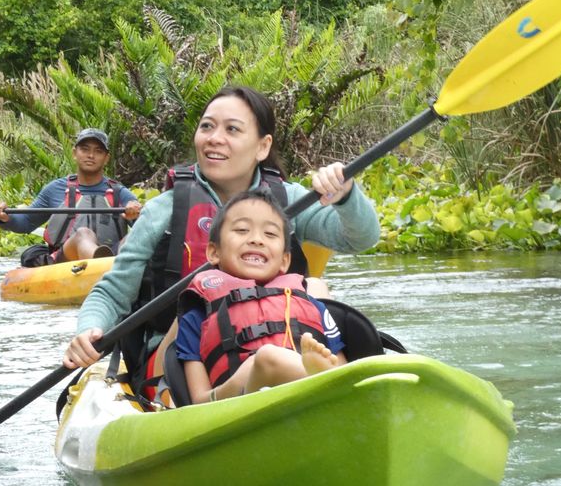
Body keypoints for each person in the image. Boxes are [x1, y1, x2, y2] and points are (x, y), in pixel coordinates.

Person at [63, 85, 379, 396]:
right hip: (186, 361)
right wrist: (88, 330)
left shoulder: (288, 200)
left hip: (286, 339)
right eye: (207, 127)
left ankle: (323, 378)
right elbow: (113, 292)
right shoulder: (165, 210)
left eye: (232, 129)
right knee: (189, 310)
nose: (215, 138)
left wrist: (346, 195)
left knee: (315, 290)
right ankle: (325, 383)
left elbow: (360, 238)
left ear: (262, 146)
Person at [176, 190, 346, 404]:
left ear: (285, 261)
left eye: (270, 234)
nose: (256, 240)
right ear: (213, 252)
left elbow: (342, 364)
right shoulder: (196, 317)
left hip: (314, 402)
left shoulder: (314, 306)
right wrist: (243, 377)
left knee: (274, 358)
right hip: (239, 407)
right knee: (267, 358)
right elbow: (199, 402)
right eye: (242, 230)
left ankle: (315, 377)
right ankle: (315, 377)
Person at [0, 128, 142, 267]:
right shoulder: (55, 189)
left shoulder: (119, 192)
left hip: (111, 256)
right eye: (85, 149)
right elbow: (26, 222)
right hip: (66, 259)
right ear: (75, 153)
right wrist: (4, 217)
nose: (91, 155)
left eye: (98, 151)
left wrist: (136, 216)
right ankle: (102, 267)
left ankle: (106, 267)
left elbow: (145, 226)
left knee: (132, 240)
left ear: (106, 158)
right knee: (83, 234)